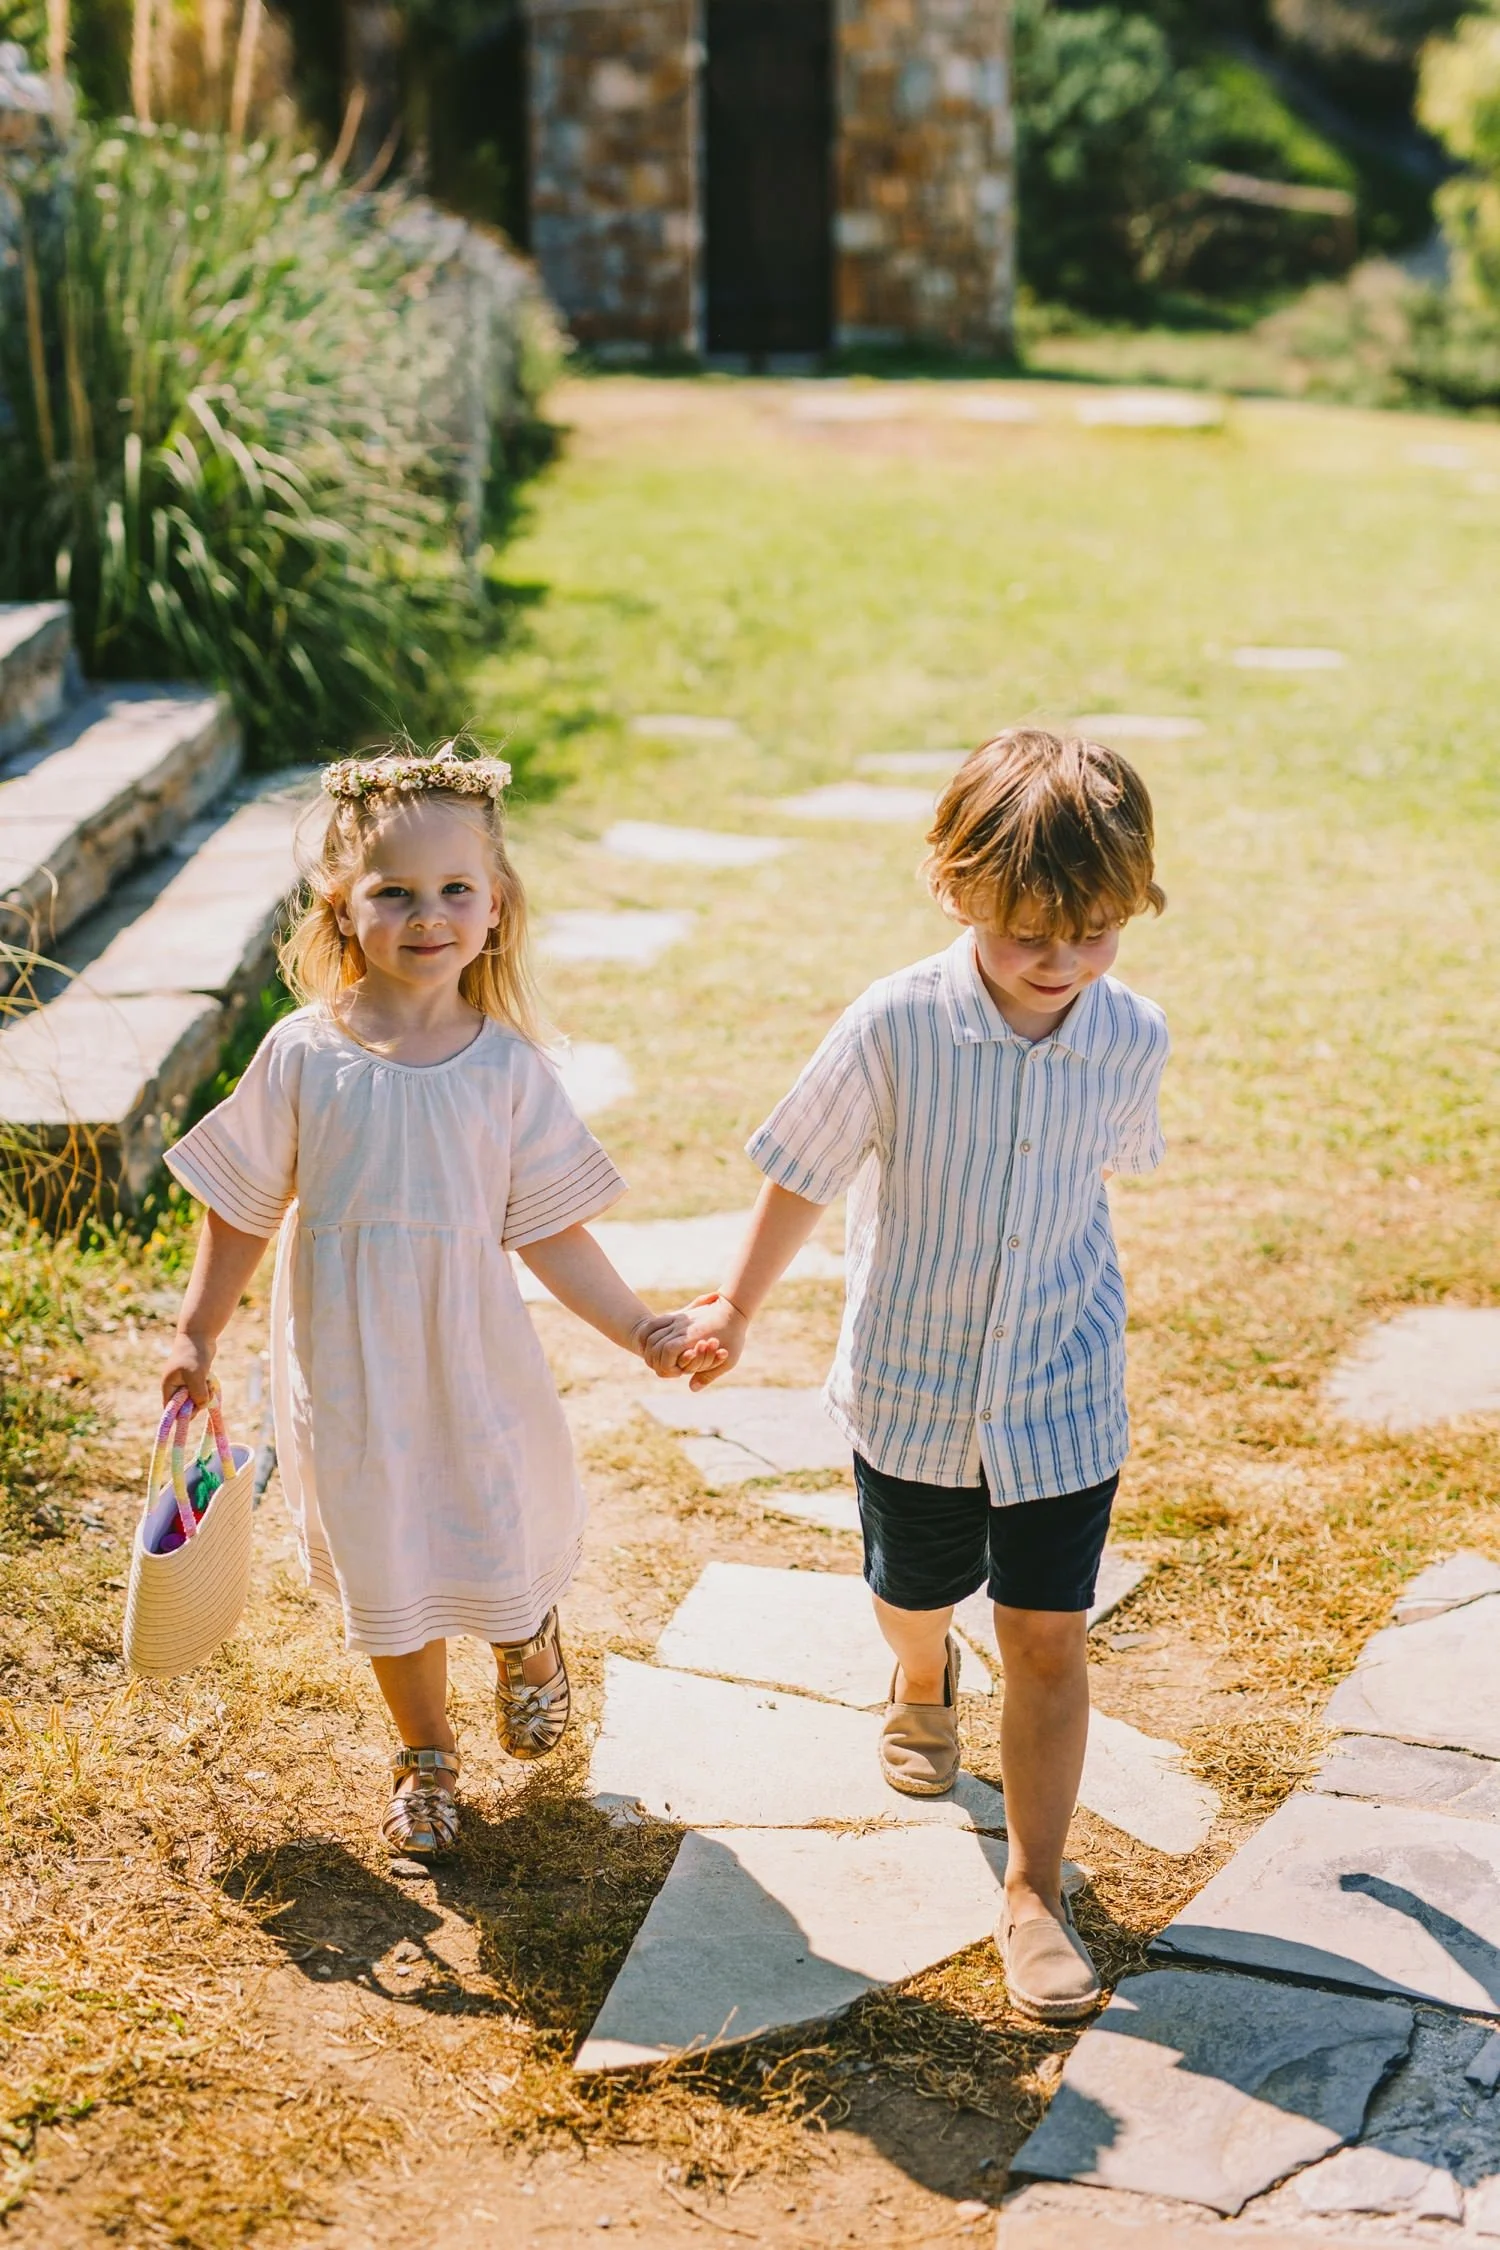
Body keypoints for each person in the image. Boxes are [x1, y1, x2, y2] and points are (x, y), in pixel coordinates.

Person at [669, 728, 1169, 2021]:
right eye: (1029, 934)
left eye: (1097, 931)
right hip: (914, 1389)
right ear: (954, 889)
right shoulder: (894, 1023)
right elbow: (804, 1166)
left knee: (1049, 1636)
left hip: (1061, 1393)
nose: (1061, 963)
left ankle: (1034, 1889)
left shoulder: (1130, 1035)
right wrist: (735, 1301)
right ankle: (916, 1673)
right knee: (913, 1588)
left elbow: (1091, 1183)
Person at [160, 740, 722, 1860]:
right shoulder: (304, 1056)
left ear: (498, 907)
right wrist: (196, 1328)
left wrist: (643, 1326)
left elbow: (552, 1228)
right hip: (351, 1365)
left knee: (492, 1513)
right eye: (396, 893)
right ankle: (425, 1756)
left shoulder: (505, 1067)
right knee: (388, 1552)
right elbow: (240, 1206)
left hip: (473, 1359)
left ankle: (526, 1634)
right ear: (340, 905)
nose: (429, 915)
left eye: (456, 890)